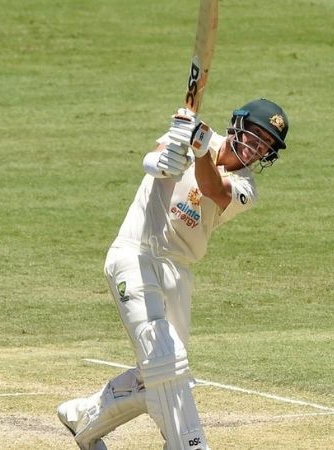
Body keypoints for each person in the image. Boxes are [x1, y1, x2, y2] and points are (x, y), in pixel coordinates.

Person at [57, 99, 289, 450]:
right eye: (255, 135)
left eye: (266, 144)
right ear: (238, 125)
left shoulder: (246, 188)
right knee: (164, 359)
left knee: (161, 372)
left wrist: (198, 151)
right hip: (136, 254)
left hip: (178, 270)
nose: (257, 147)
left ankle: (83, 417)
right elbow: (152, 160)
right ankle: (190, 445)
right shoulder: (195, 136)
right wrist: (168, 157)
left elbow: (213, 190)